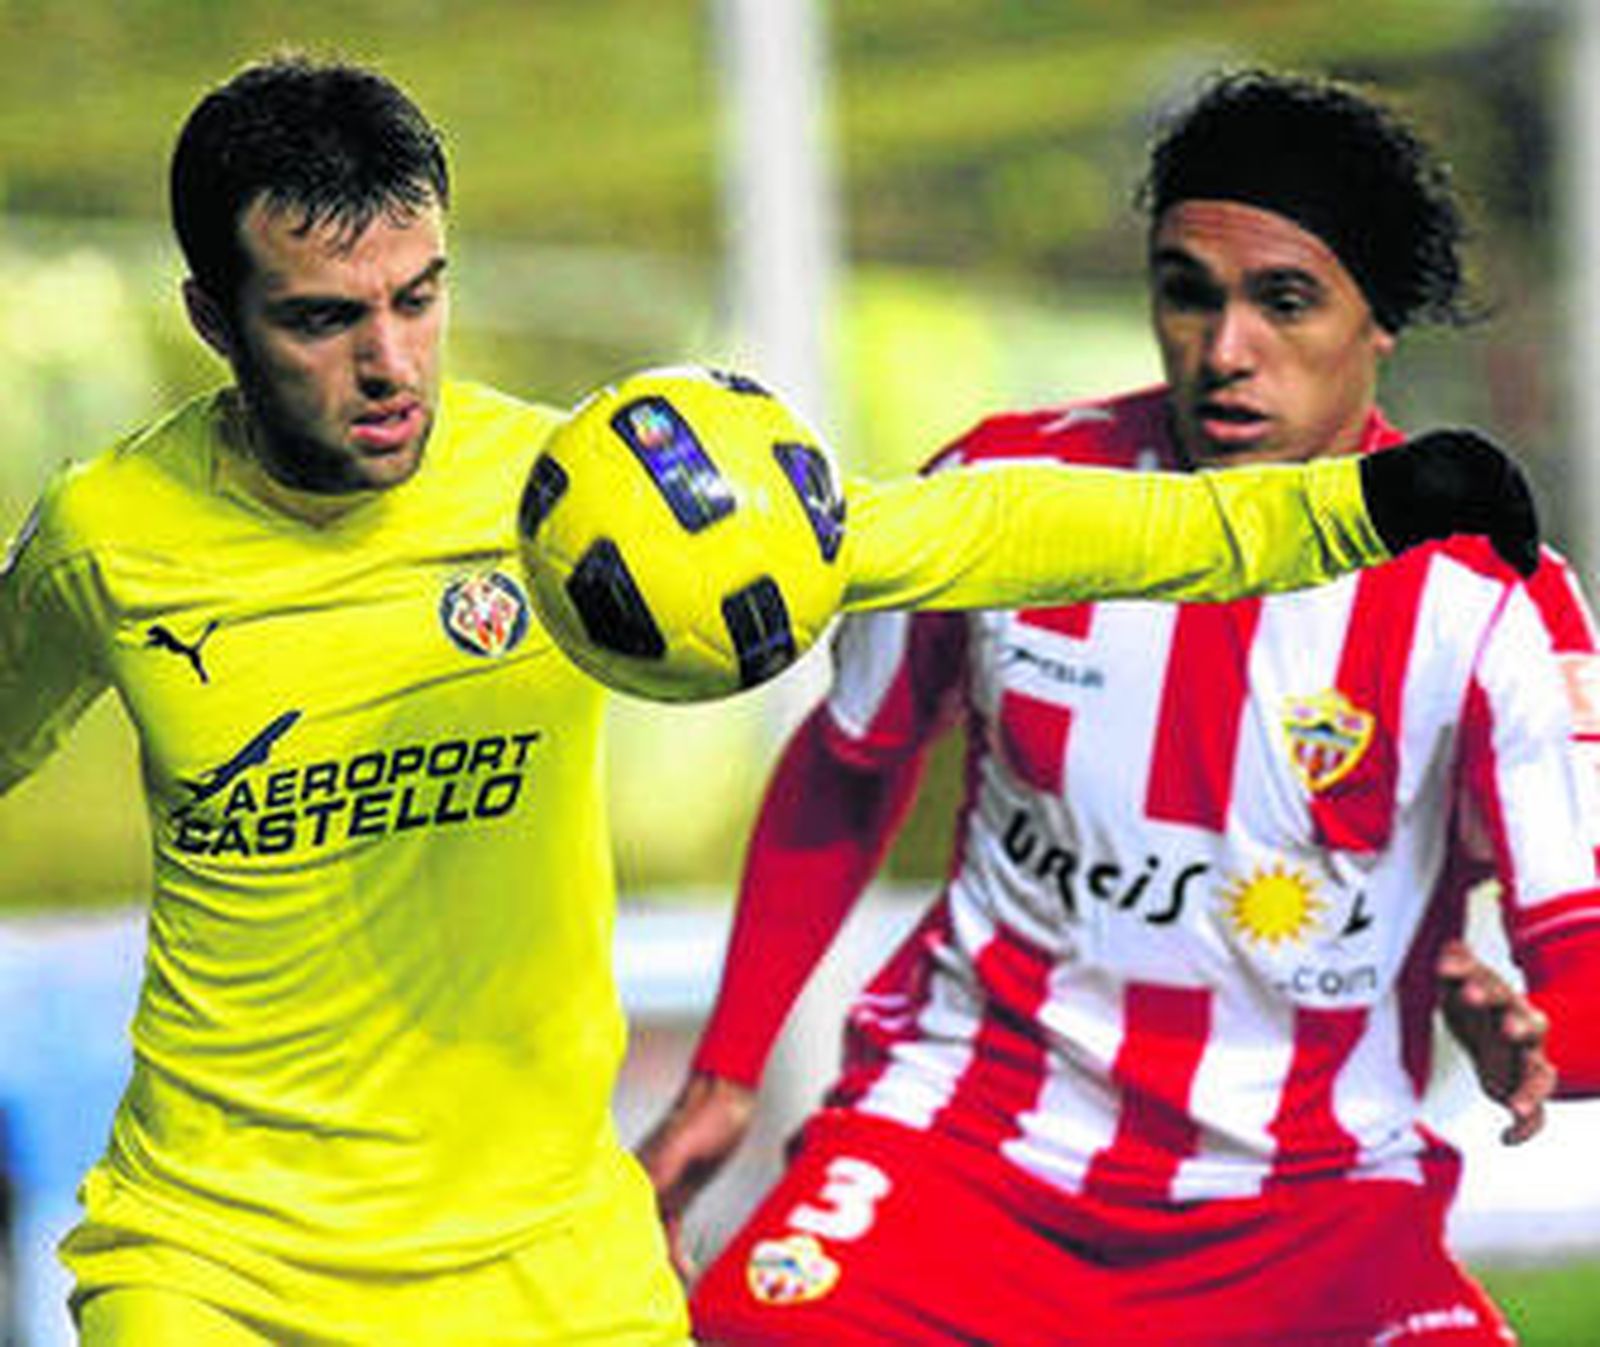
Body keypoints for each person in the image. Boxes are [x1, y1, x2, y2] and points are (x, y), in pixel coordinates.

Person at [0, 54, 1542, 1347]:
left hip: (548, 1254)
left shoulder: (580, 494)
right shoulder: (108, 540)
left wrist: (1351, 510)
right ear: (216, 318)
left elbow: (987, 526)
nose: (392, 363)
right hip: (211, 1259)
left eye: (420, 297)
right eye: (325, 320)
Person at [639, 69, 1600, 1346]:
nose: (1224, 349)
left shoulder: (1492, 604)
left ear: (1381, 322)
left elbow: (1579, 956)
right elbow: (848, 763)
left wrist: (1542, 1043)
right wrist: (726, 1073)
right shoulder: (1000, 494)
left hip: (1309, 1209)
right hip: (964, 1153)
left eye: (1284, 300)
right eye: (1187, 292)